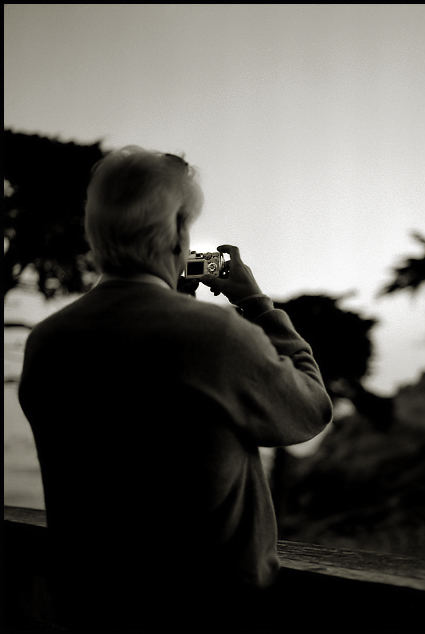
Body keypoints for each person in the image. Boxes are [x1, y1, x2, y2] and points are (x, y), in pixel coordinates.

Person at [18, 146, 333, 629]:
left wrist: (175, 297)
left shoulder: (47, 341)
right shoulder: (218, 336)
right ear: (177, 234)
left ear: (95, 232)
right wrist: (255, 303)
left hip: (90, 608)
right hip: (205, 612)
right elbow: (310, 409)